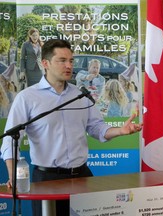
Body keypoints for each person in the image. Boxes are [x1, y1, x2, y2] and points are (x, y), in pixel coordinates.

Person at [0, 39, 142, 216]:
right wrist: (13, 174)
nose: (69, 65)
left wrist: (120, 130)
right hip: (47, 180)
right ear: (45, 63)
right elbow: (10, 139)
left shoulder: (80, 95)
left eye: (71, 61)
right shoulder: (27, 97)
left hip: (82, 176)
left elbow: (97, 127)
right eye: (62, 60)